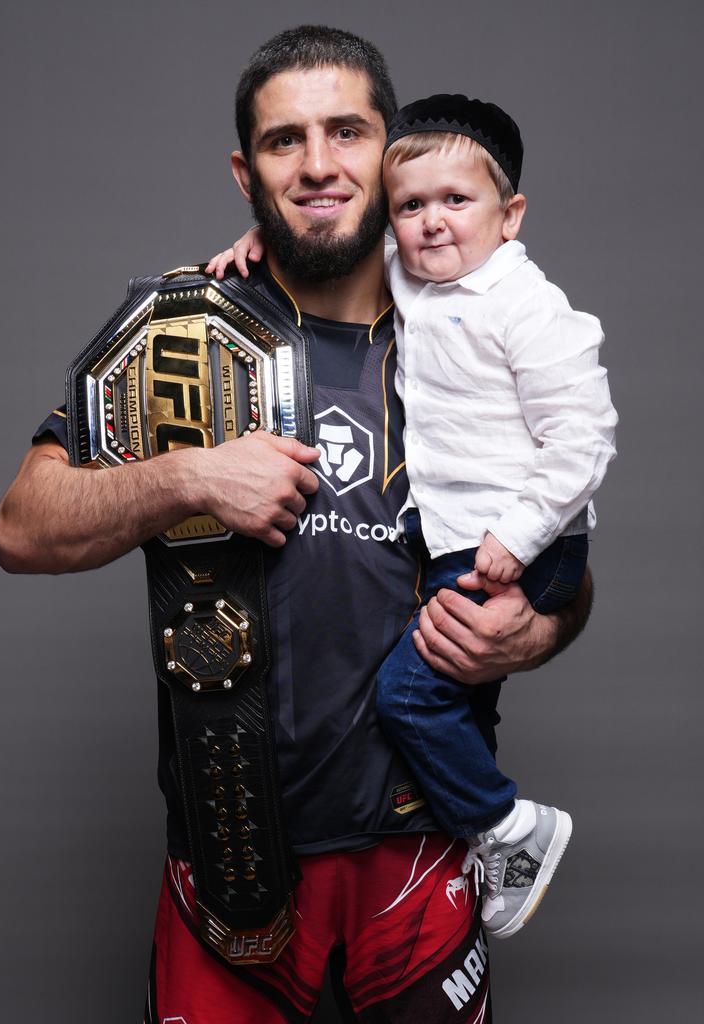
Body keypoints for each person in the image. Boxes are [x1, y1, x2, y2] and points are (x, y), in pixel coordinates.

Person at [0, 26, 595, 1024]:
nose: (319, 165)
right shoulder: (182, 331)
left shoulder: (480, 332)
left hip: (420, 852)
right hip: (229, 866)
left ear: (389, 148)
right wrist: (181, 474)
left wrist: (530, 633)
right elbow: (22, 526)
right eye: (285, 141)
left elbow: (567, 563)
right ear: (246, 169)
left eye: (348, 131)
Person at [210, 91, 618, 943]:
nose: (431, 224)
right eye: (410, 207)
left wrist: (516, 540)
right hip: (461, 536)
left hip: (518, 539)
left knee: (409, 693)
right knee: (456, 702)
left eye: (456, 203)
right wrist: (262, 247)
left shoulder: (528, 306)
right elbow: (320, 258)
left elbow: (583, 441)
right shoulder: (414, 276)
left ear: (510, 216)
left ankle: (510, 830)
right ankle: (479, 838)